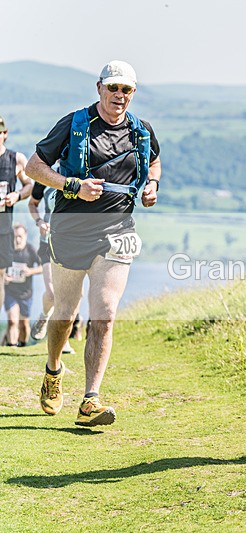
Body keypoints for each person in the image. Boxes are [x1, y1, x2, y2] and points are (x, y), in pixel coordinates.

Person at [26, 60, 161, 427]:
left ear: (133, 93)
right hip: (70, 230)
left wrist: (152, 187)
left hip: (117, 231)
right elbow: (34, 168)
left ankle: (91, 399)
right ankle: (53, 371)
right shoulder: (74, 124)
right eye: (113, 88)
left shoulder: (141, 131)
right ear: (99, 88)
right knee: (65, 314)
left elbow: (155, 163)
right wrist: (73, 186)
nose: (119, 96)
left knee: (104, 312)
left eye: (126, 90)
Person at [28, 182, 75, 354]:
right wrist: (39, 221)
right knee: (53, 293)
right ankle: (44, 316)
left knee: (71, 294)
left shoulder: (76, 173)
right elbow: (32, 203)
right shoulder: (44, 176)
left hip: (72, 244)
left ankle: (64, 340)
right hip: (47, 243)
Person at [0, 115, 34, 320]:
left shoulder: (16, 159)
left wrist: (17, 195)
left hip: (3, 229)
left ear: (5, 134)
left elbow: (30, 185)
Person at [4, 224, 42, 346]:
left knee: (24, 324)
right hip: (10, 292)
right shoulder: (7, 250)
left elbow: (44, 267)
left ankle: (22, 344)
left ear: (25, 236)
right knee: (12, 321)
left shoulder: (31, 250)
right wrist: (3, 276)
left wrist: (30, 271)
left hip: (26, 294)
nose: (18, 239)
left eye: (20, 236)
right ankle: (11, 346)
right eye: (15, 236)